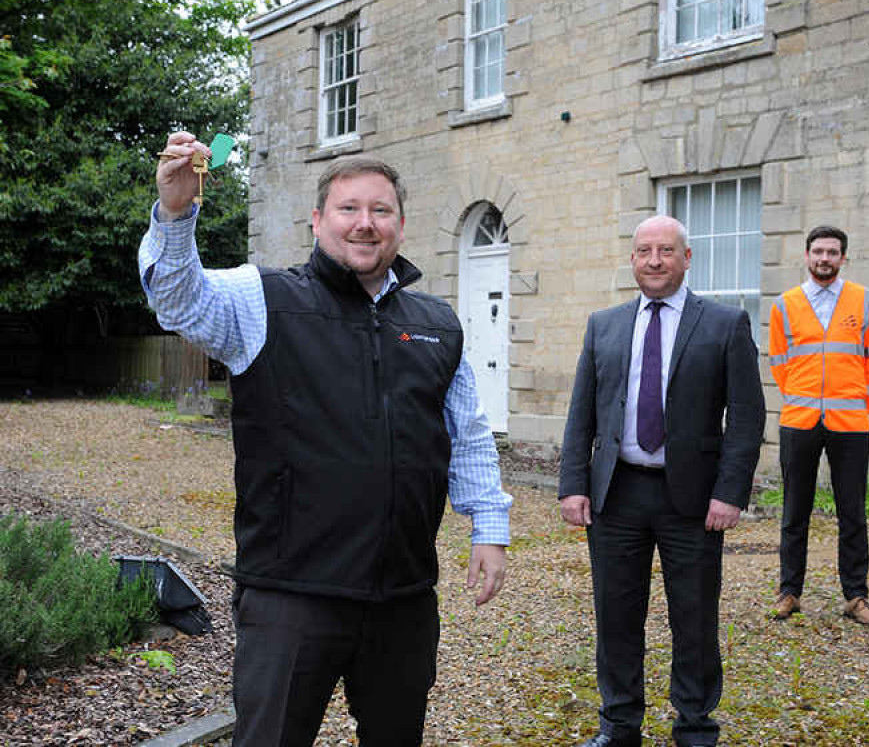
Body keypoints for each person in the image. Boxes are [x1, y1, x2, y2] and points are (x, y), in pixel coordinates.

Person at [139, 131, 513, 746]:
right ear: (318, 220)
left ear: (399, 223)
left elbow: (466, 434)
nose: (365, 224)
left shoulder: (436, 325)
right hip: (292, 595)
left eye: (380, 211)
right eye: (348, 210)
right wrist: (177, 216)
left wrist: (489, 527)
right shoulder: (262, 299)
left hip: (402, 595)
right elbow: (178, 301)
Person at [558, 216, 765, 747]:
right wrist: (572, 483)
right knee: (615, 615)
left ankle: (695, 725)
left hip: (692, 500)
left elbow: (746, 416)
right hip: (616, 494)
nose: (654, 260)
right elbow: (582, 412)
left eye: (666, 250)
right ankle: (619, 724)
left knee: (694, 618)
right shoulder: (603, 325)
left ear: (687, 258)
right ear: (632, 260)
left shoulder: (724, 324)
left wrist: (729, 491)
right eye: (644, 251)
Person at [769, 225, 869, 627]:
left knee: (852, 512)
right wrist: (803, 398)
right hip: (799, 419)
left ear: (843, 258)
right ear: (806, 256)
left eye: (833, 252)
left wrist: (860, 403)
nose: (825, 258)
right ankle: (790, 592)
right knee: (794, 511)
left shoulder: (865, 300)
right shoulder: (786, 304)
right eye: (818, 251)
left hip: (850, 421)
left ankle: (855, 597)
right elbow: (779, 363)